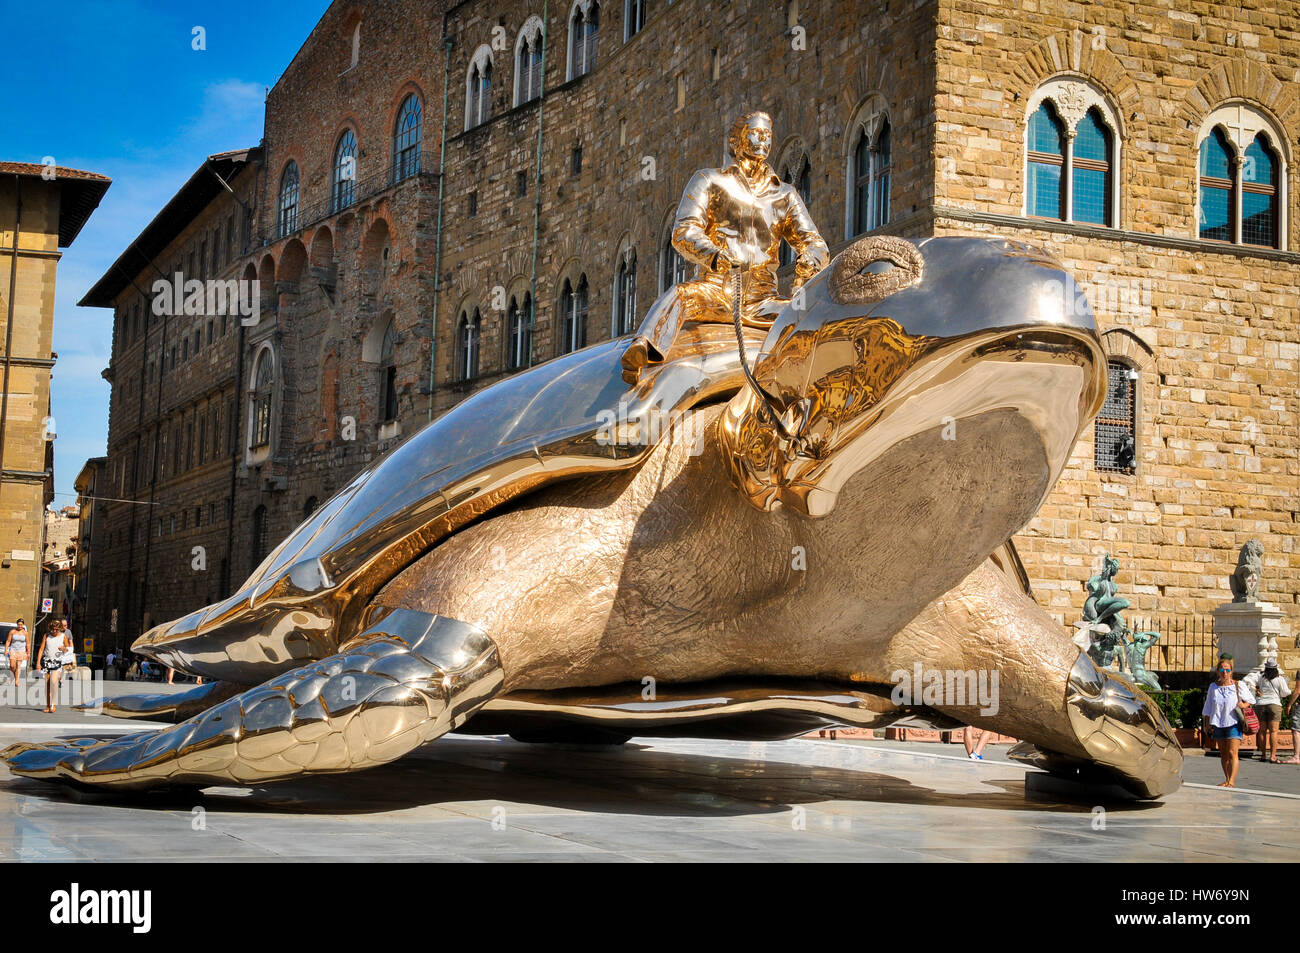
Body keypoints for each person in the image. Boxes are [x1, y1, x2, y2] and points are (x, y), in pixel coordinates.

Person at [619, 110, 829, 385]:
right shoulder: (710, 181)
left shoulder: (785, 195)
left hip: (763, 302)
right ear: (737, 140)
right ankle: (643, 350)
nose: (763, 140)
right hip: (716, 291)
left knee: (811, 318)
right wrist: (716, 256)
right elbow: (684, 230)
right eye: (755, 132)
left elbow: (814, 242)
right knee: (681, 296)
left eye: (768, 135)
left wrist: (809, 262)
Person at [1202, 653, 1255, 787]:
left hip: (1234, 723)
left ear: (1231, 671)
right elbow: (1208, 706)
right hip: (1218, 722)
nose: (1225, 673)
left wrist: (1243, 705)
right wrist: (1207, 723)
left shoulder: (1238, 685)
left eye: (1227, 670)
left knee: (1232, 752)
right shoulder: (1213, 687)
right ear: (1218, 671)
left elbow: (1251, 700)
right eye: (1222, 670)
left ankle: (1231, 781)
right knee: (1223, 753)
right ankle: (1226, 778)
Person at [1244, 661, 1291, 763]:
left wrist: (1256, 690)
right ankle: (1273, 756)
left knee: (1262, 731)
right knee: (1273, 731)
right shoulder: (1279, 679)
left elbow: (1247, 680)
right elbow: (1285, 692)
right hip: (1274, 704)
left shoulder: (1261, 677)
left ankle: (1264, 755)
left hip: (1261, 704)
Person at [35, 620, 71, 714]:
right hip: (47, 661)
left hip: (57, 662)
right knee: (47, 684)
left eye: (56, 629)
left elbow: (69, 649)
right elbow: (42, 649)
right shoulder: (46, 635)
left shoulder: (63, 636)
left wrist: (63, 648)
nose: (54, 631)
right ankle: (47, 705)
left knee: (54, 681)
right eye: (52, 629)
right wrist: (38, 663)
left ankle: (52, 704)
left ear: (59, 629)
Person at [5, 619, 29, 685]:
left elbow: (28, 643)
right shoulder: (12, 631)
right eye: (19, 624)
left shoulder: (25, 633)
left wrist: (28, 653)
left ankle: (17, 681)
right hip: (13, 650)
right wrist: (6, 650)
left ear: (23, 625)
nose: (20, 626)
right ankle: (12, 676)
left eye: (21, 624)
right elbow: (8, 641)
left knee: (18, 665)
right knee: (12, 666)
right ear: (17, 624)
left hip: (21, 651)